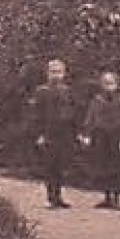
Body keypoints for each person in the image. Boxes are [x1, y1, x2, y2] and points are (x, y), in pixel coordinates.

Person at [28, 58, 81, 208]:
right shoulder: (41, 91)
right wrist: (39, 134)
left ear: (64, 74)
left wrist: (76, 132)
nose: (56, 75)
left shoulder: (67, 91)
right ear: (47, 74)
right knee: (49, 166)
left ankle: (58, 196)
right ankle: (50, 197)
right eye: (53, 72)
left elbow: (73, 112)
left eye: (59, 72)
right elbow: (36, 115)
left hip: (64, 134)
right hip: (48, 133)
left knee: (61, 166)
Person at [82, 71, 120, 209]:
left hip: (116, 136)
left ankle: (116, 198)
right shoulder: (97, 100)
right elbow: (90, 117)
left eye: (111, 83)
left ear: (116, 85)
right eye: (105, 83)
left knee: (115, 168)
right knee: (102, 166)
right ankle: (106, 197)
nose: (108, 86)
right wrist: (87, 134)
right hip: (101, 136)